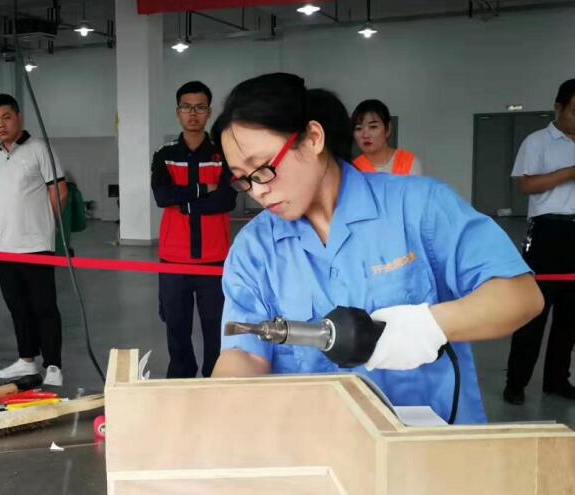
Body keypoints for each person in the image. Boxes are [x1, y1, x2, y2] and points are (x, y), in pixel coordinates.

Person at [210, 73, 543, 424]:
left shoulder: (418, 206)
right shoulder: (254, 247)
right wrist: (216, 413)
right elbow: (244, 354)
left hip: (426, 440)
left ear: (313, 138)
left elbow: (520, 296)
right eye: (243, 178)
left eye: (263, 168)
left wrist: (428, 326)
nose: (257, 191)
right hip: (314, 438)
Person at [151, 81, 237, 378]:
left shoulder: (223, 153)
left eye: (200, 107)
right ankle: (180, 378)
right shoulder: (164, 154)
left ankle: (215, 379)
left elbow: (226, 200)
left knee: (216, 327)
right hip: (173, 259)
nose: (193, 113)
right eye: (186, 107)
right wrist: (202, 189)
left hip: (214, 258)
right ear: (178, 112)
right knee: (176, 327)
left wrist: (186, 204)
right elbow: (162, 196)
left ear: (209, 112)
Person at [0, 94, 67, 387]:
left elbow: (60, 191)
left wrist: (44, 226)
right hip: (5, 247)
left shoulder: (39, 149)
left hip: (36, 246)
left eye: (6, 117)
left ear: (19, 117)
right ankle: (26, 359)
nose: (1, 125)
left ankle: (54, 366)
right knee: (18, 308)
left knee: (44, 308)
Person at [504, 79, 575, 404]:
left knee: (570, 316)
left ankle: (557, 380)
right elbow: (526, 185)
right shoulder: (537, 141)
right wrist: (569, 173)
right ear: (559, 108)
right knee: (533, 311)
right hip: (547, 233)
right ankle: (516, 382)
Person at [352, 99, 422, 175]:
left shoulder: (409, 162)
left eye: (373, 127)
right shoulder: (353, 169)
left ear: (388, 128)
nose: (365, 135)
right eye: (358, 128)